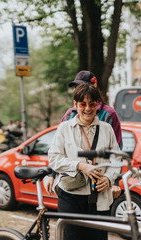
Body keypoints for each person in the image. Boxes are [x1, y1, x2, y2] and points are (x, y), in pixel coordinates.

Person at [48, 84, 121, 240]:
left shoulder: (107, 129)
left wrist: (109, 178)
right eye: (83, 104)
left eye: (92, 104)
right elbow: (54, 158)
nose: (87, 108)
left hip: (99, 197)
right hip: (71, 196)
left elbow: (116, 159)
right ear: (75, 105)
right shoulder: (64, 128)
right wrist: (80, 166)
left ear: (97, 105)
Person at [46, 70, 123, 199]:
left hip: (99, 186)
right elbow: (58, 150)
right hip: (74, 185)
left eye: (81, 86)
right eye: (76, 87)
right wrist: (52, 175)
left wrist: (114, 181)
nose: (78, 90)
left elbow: (117, 151)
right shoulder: (70, 114)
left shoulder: (108, 114)